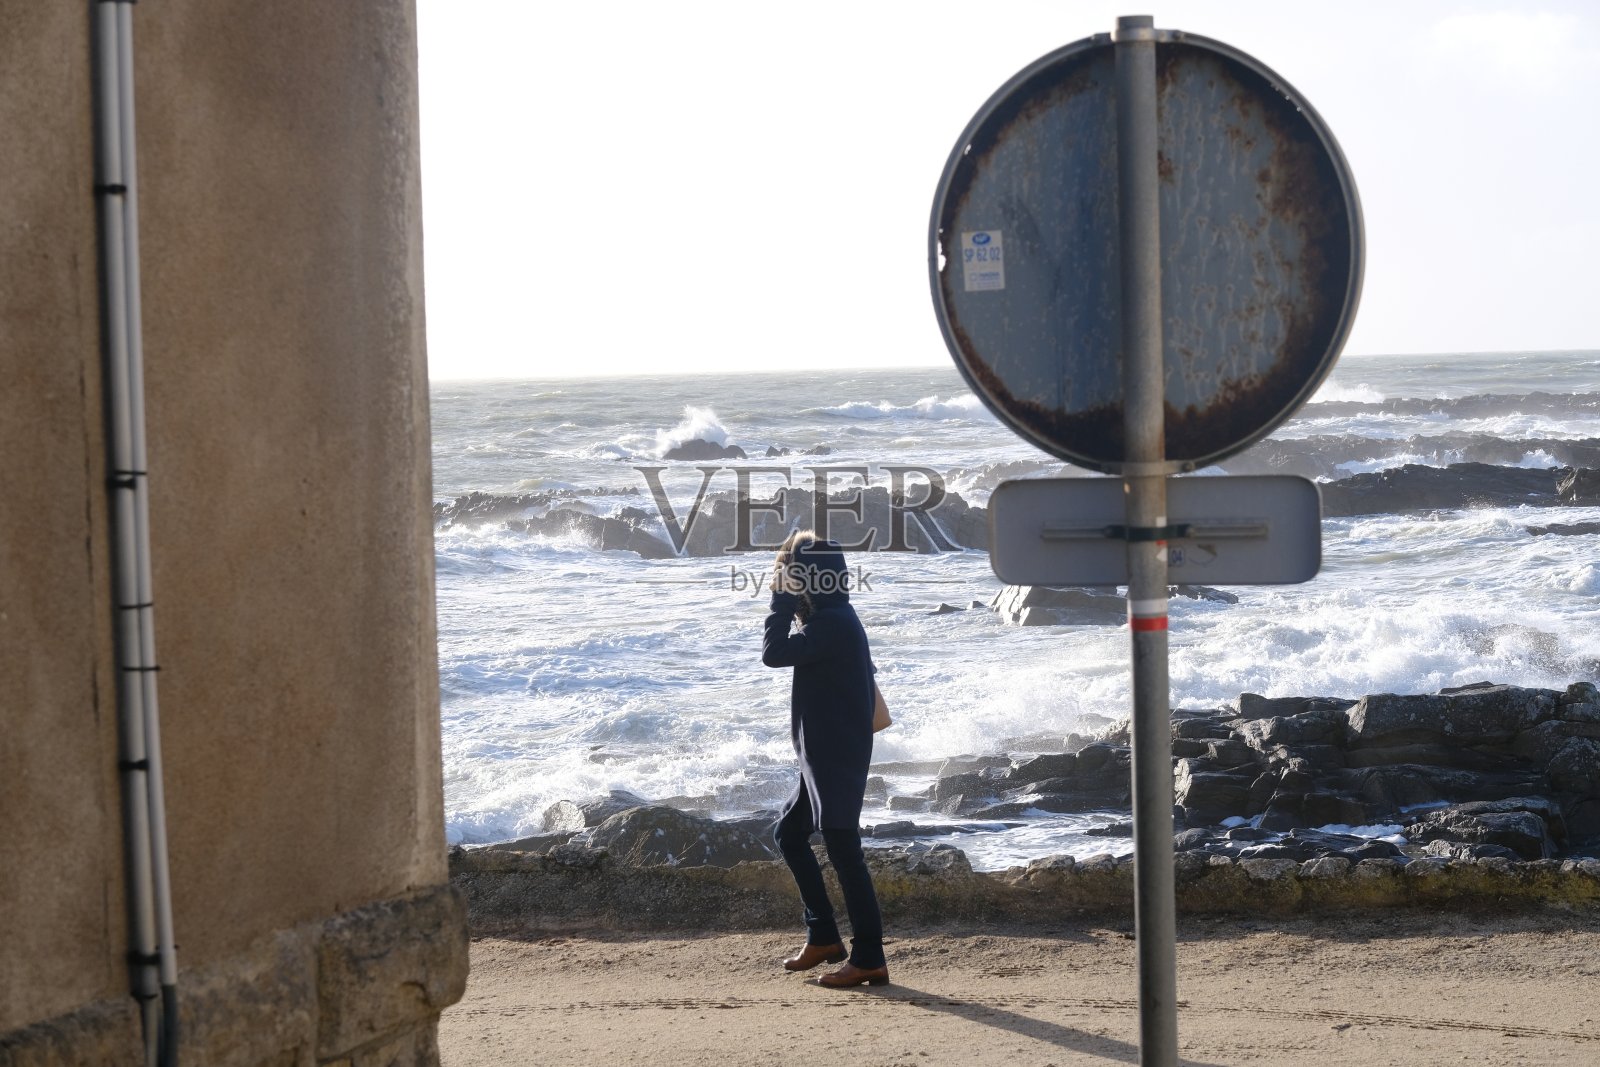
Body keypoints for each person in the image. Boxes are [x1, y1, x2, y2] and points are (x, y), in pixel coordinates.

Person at [761, 529, 888, 988]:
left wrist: (779, 603)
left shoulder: (832, 623)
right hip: (822, 750)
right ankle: (824, 938)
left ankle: (870, 956)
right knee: (790, 834)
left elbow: (773, 654)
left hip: (834, 751)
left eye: (788, 576)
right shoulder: (834, 617)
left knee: (842, 847)